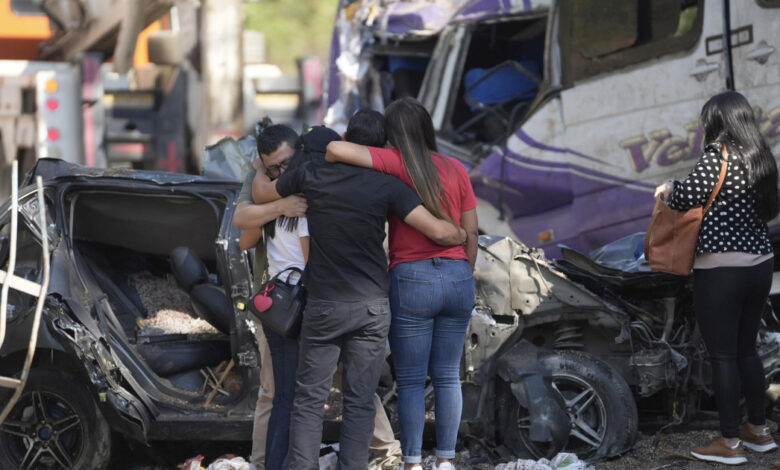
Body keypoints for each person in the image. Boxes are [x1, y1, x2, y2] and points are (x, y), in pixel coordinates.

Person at [254, 124, 467, 470]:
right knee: (359, 401)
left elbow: (262, 194)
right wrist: (463, 235)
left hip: (325, 307)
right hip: (372, 308)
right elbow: (438, 231)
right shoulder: (387, 185)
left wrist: (257, 169)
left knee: (309, 400)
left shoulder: (310, 176)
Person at [325, 98, 479, 470]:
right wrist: (464, 272)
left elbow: (334, 149)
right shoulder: (456, 167)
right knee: (448, 376)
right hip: (458, 275)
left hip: (412, 279)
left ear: (392, 135)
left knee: (410, 380)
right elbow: (472, 232)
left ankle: (412, 463)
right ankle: (445, 461)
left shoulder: (395, 162)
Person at [655, 91, 780, 465]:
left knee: (722, 356)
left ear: (719, 122)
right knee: (747, 351)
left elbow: (686, 198)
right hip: (760, 265)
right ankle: (757, 431)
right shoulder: (760, 156)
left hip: (722, 269)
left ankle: (729, 443)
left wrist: (669, 187)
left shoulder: (717, 156)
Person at [232, 122, 303, 470]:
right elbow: (242, 229)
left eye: (287, 163)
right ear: (263, 165)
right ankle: (266, 463)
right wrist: (280, 206)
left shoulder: (302, 184)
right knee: (280, 394)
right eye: (274, 167)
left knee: (287, 396)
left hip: (288, 304)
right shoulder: (274, 192)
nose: (282, 173)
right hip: (284, 305)